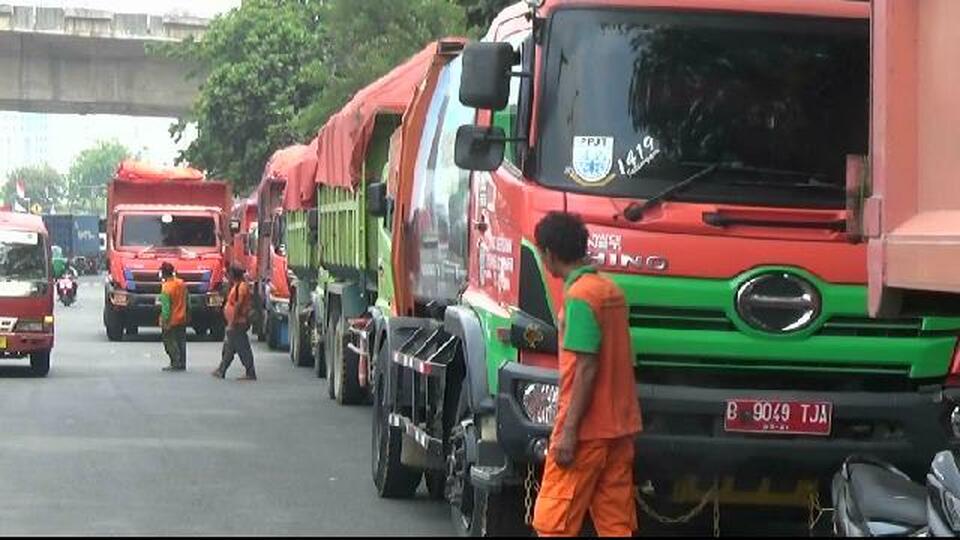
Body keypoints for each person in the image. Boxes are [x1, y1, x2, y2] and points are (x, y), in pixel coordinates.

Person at [531, 211, 642, 537]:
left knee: (554, 523)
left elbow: (586, 368)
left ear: (550, 253)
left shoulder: (580, 297)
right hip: (619, 429)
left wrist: (568, 433)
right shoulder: (611, 291)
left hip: (586, 432)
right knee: (616, 525)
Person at [211, 266, 257, 381]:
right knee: (229, 348)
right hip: (235, 322)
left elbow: (238, 305)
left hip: (237, 323)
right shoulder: (237, 286)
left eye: (229, 274)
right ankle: (221, 370)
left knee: (243, 348)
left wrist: (232, 322)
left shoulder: (241, 288)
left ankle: (250, 372)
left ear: (233, 274)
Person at [159, 262, 188, 372]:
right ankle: (182, 362)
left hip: (172, 319)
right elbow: (187, 300)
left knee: (169, 342)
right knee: (181, 341)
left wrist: (164, 320)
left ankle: (175, 362)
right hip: (182, 317)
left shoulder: (166, 288)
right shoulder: (181, 283)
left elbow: (166, 308)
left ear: (163, 273)